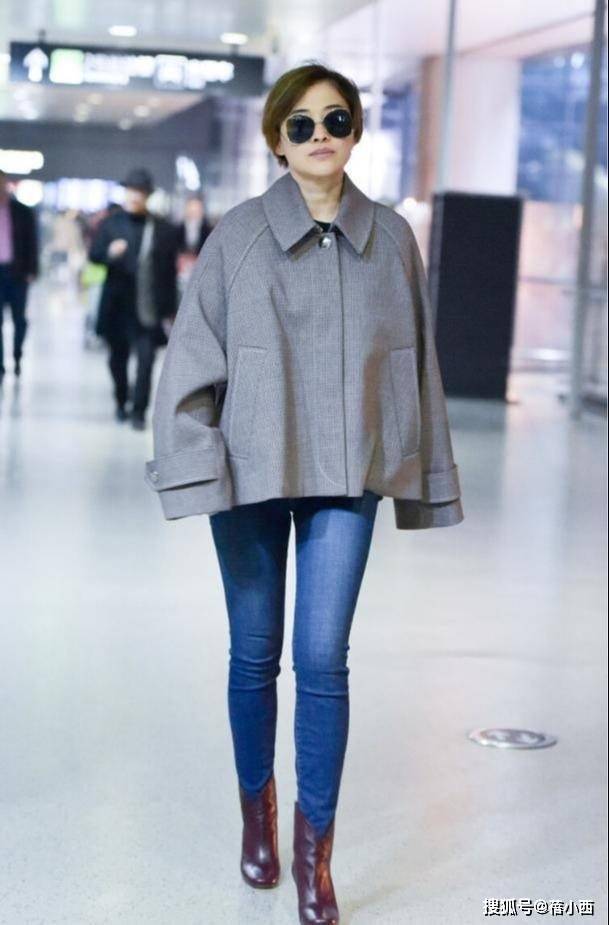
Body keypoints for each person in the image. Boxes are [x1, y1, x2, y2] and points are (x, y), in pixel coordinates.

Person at [146, 64, 464, 924]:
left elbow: (416, 367)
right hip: (250, 473)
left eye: (336, 119)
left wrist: (423, 475)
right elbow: (191, 359)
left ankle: (313, 853)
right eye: (300, 123)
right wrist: (193, 466)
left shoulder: (391, 237)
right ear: (276, 140)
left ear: (355, 131)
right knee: (254, 653)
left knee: (321, 659)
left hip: (346, 478)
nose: (320, 135)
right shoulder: (239, 235)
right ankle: (257, 815)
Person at [88, 168, 178, 429]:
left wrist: (171, 309)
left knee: (147, 361)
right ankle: (121, 400)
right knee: (117, 359)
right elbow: (94, 255)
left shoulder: (161, 228)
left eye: (140, 192)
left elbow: (169, 272)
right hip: (117, 307)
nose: (135, 196)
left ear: (147, 195)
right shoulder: (111, 224)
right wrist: (110, 253)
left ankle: (139, 411)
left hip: (147, 309)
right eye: (131, 191)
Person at [0, 169, 39, 382]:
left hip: (17, 273)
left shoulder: (22, 211)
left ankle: (17, 356)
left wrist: (32, 270)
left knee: (19, 319)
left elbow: (32, 242)